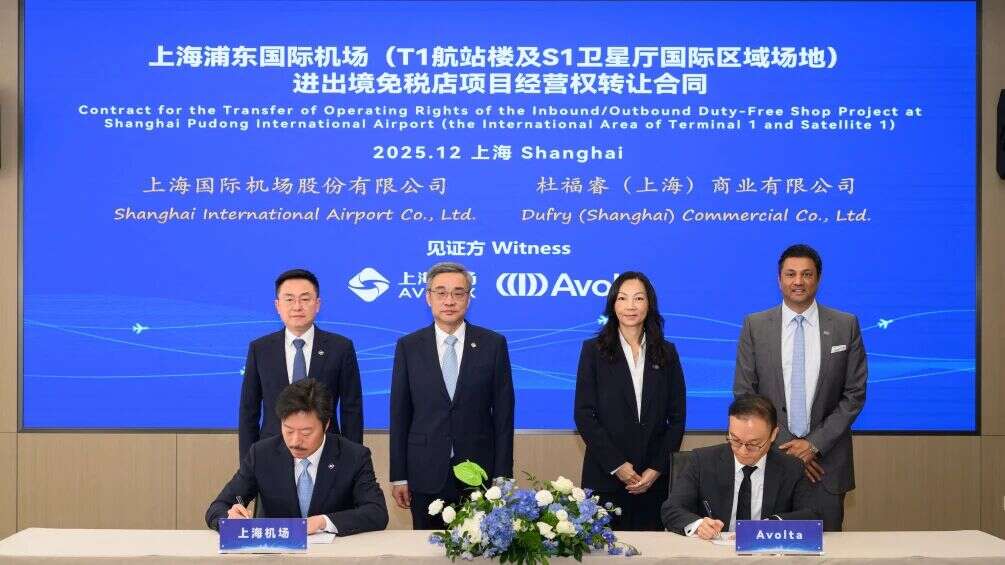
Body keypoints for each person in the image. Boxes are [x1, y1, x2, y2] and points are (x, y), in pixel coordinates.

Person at [733, 244, 867, 531]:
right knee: (767, 545)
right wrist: (789, 448)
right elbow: (745, 394)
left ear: (818, 278)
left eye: (806, 274)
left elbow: (854, 394)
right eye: (790, 274)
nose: (798, 281)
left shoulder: (845, 325)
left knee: (828, 546)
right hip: (771, 461)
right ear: (779, 279)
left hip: (826, 467)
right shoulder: (755, 325)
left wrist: (813, 445)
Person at [389, 262, 515, 529]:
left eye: (458, 293)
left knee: (481, 545)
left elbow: (504, 415)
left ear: (468, 298)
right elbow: (399, 415)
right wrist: (399, 475)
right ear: (428, 297)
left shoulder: (493, 344)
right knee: (425, 547)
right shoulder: (409, 347)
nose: (449, 301)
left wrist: (503, 473)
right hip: (425, 471)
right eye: (441, 292)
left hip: (479, 472)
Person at [574, 271, 686, 531]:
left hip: (653, 481)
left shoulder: (667, 352)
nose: (631, 306)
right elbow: (584, 414)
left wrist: (656, 468)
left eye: (639, 298)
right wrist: (618, 466)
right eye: (623, 298)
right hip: (606, 478)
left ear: (649, 304)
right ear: (613, 304)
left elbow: (677, 418)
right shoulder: (594, 351)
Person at [207, 379, 388, 536]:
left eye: (306, 433)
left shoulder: (353, 456)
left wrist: (323, 522)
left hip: (333, 554)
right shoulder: (262, 454)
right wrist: (229, 519)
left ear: (326, 424)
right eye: (288, 430)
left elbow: (377, 512)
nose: (295, 441)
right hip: (277, 555)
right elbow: (217, 507)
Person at [239, 268, 363, 461]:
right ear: (277, 305)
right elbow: (249, 411)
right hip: (272, 454)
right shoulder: (260, 349)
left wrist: (352, 462)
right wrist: (249, 464)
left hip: (327, 453)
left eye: (305, 299)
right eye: (289, 299)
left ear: (317, 304)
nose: (297, 306)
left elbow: (352, 410)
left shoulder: (340, 347)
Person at [661, 394, 818, 538]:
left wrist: (772, 526)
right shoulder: (702, 461)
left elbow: (811, 514)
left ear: (773, 435)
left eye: (753, 443)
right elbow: (671, 509)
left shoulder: (791, 468)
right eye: (735, 440)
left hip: (765, 552)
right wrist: (699, 525)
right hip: (714, 551)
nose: (743, 451)